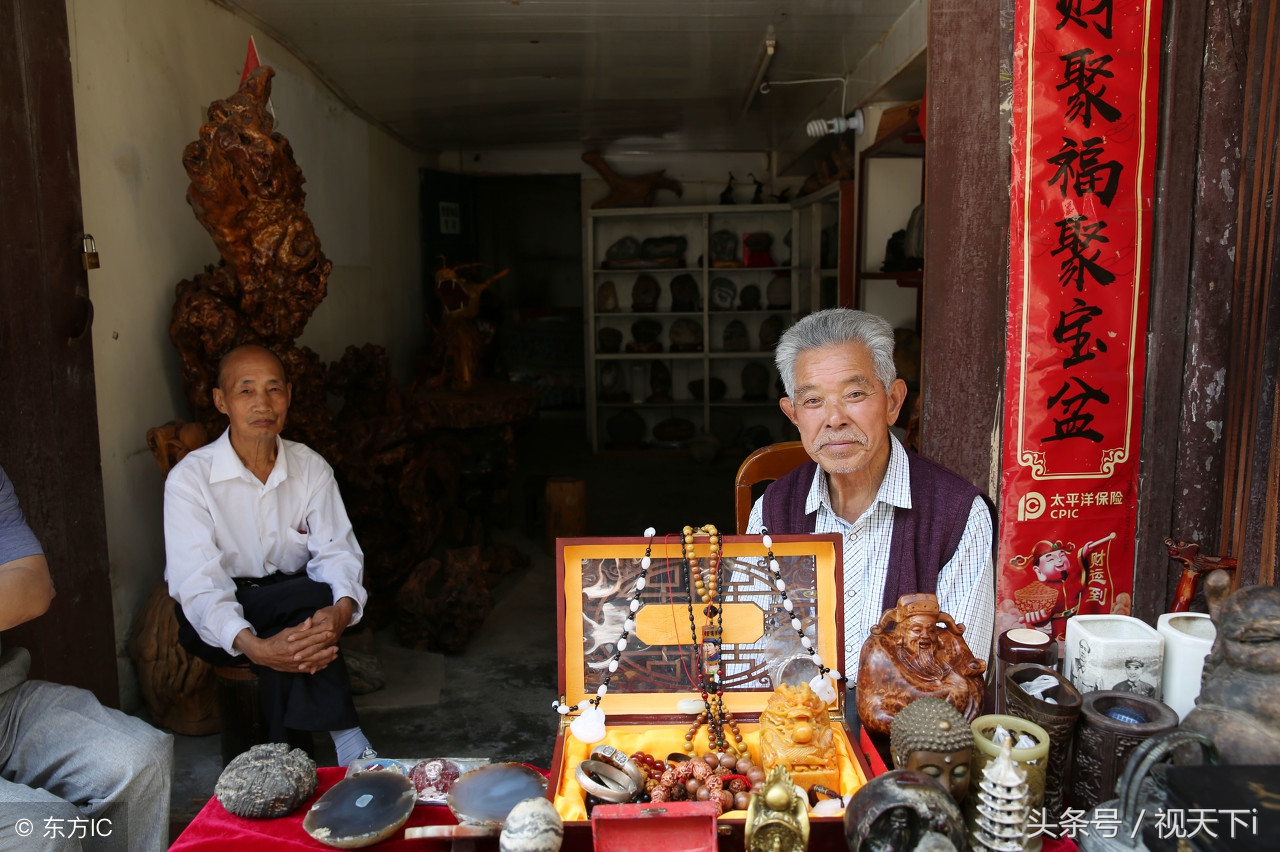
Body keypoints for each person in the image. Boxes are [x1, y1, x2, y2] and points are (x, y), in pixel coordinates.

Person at [746, 309, 994, 675]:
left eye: (855, 393)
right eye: (813, 401)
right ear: (793, 414)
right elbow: (754, 658)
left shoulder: (958, 515)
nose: (834, 418)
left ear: (893, 402)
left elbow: (958, 677)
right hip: (796, 726)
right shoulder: (771, 513)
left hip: (908, 730)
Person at [164, 344, 374, 765]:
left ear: (288, 395)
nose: (263, 403)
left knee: (308, 604)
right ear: (220, 400)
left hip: (293, 602)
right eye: (246, 391)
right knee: (308, 601)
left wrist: (341, 611)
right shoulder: (190, 479)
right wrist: (254, 646)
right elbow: (200, 586)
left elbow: (338, 552)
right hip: (219, 613)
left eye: (273, 389)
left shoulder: (310, 468)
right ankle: (349, 740)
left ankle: (288, 766)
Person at [0, 465, 173, 850]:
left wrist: (22, 585)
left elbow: (32, 586)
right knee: (48, 830)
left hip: (4, 704)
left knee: (142, 760)